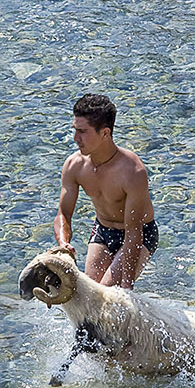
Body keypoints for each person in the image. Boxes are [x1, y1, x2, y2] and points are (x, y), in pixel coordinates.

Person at [53, 94, 157, 289]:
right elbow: (63, 214)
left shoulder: (132, 171)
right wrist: (63, 243)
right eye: (75, 130)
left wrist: (127, 285)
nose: (76, 139)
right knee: (86, 295)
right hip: (103, 230)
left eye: (82, 132)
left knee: (108, 294)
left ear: (105, 133)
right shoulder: (74, 165)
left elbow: (134, 231)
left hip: (139, 233)